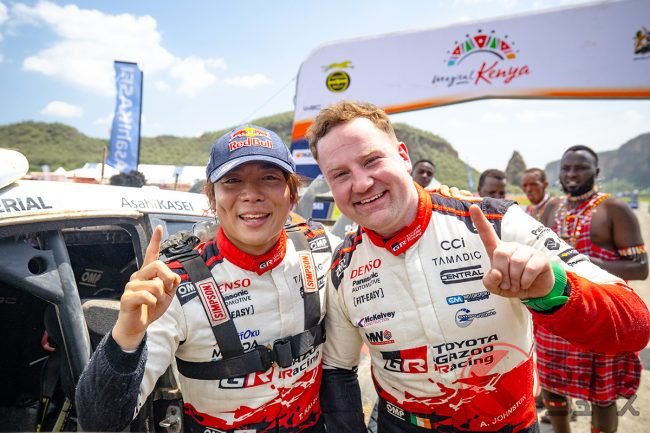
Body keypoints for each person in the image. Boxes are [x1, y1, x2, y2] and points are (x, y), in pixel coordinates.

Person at [306, 100, 650, 433]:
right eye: (340, 174)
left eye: (371, 160)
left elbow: (635, 326)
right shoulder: (343, 266)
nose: (362, 183)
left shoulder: (494, 221)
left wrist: (553, 288)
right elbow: (338, 370)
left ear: (403, 156)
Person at [76, 125, 342, 432]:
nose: (251, 195)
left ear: (292, 194)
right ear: (212, 198)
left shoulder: (322, 248)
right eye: (232, 181)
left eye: (269, 178)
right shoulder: (173, 286)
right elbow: (100, 422)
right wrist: (126, 334)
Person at [533, 144, 648, 433]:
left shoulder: (614, 209)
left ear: (595, 172)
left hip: (601, 314)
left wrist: (585, 263)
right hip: (557, 311)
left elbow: (641, 268)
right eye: (566, 168)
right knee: (552, 385)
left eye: (580, 168)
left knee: (603, 395)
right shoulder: (552, 208)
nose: (572, 174)